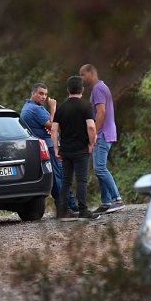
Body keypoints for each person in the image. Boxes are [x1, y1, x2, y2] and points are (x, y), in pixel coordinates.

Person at [20, 83, 78, 213]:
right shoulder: (35, 109)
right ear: (33, 93)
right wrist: (53, 108)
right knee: (59, 178)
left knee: (61, 176)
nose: (44, 97)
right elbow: (53, 126)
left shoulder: (30, 107)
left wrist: (51, 126)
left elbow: (51, 126)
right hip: (49, 148)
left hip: (47, 146)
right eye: (41, 94)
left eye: (45, 94)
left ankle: (70, 206)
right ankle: (64, 208)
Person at [80, 64, 124, 215]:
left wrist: (95, 133)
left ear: (92, 73)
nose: (82, 78)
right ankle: (106, 202)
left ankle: (117, 200)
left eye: (83, 75)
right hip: (107, 133)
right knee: (100, 168)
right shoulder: (101, 87)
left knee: (99, 168)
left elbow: (101, 112)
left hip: (103, 134)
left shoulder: (98, 89)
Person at [51, 76, 96, 220]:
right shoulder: (86, 106)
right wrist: (91, 143)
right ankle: (83, 211)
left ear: (68, 90)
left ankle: (63, 211)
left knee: (66, 181)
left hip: (66, 149)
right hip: (81, 149)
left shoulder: (62, 108)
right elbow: (90, 126)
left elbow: (53, 129)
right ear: (82, 89)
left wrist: (56, 149)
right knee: (81, 180)